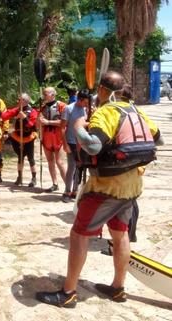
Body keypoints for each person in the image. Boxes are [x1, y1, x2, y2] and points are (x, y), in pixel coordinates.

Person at [36, 71, 163, 308]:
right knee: (120, 233)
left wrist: (78, 126)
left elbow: (93, 146)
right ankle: (117, 288)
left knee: (79, 234)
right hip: (132, 186)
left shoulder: (107, 112)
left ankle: (68, 293)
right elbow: (159, 139)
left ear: (104, 90)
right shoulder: (137, 110)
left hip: (106, 187)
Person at [1, 93, 38, 187]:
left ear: (25, 101)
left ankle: (34, 178)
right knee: (20, 157)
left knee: (31, 158)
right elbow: (4, 116)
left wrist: (24, 118)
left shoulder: (33, 111)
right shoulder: (17, 110)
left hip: (28, 137)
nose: (17, 101)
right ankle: (19, 177)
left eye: (19, 100)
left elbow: (33, 127)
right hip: (17, 137)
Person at [61, 89, 90, 202]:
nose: (87, 104)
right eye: (85, 102)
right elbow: (62, 127)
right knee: (72, 167)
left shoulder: (85, 109)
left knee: (80, 167)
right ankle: (67, 191)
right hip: (71, 142)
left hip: (81, 142)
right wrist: (65, 144)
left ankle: (75, 190)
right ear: (80, 99)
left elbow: (84, 124)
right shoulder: (69, 109)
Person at [39, 87, 67, 192]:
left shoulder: (62, 106)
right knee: (50, 161)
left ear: (52, 94)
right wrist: (40, 121)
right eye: (43, 94)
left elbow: (64, 122)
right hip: (46, 137)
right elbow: (39, 124)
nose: (44, 96)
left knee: (60, 162)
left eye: (45, 94)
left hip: (58, 137)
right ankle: (55, 184)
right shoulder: (43, 107)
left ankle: (68, 187)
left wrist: (48, 122)